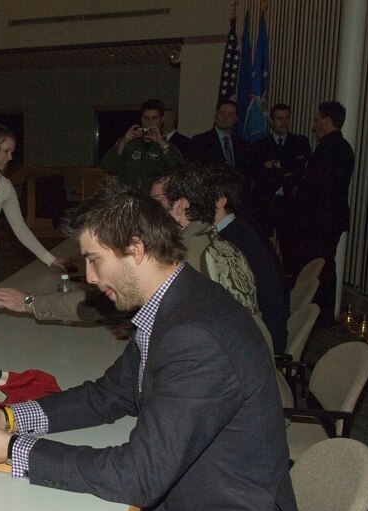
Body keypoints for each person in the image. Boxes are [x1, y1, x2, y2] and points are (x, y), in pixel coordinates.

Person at [0, 190, 318, 511]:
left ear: (136, 249)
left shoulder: (195, 335)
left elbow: (140, 476)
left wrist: (11, 450)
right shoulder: (176, 302)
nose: (89, 277)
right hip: (198, 499)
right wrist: (10, 417)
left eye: (94, 260)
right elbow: (109, 394)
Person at [0, 124, 67, 286]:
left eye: (12, 152)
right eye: (6, 151)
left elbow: (20, 228)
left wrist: (49, 259)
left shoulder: (5, 186)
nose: (10, 157)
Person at [150, 164, 259, 315]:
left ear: (180, 206)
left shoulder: (183, 255)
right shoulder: (220, 243)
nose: (149, 210)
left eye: (156, 202)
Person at [208, 165, 290, 354]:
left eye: (204, 195)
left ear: (221, 201)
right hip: (265, 329)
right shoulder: (238, 226)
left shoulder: (232, 240)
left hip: (263, 341)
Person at [293, 101, 355, 323]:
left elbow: (318, 187)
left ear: (327, 121)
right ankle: (323, 313)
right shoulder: (344, 148)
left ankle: (318, 313)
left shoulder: (327, 149)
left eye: (317, 120)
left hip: (319, 219)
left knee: (317, 267)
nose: (314, 124)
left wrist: (299, 191)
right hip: (332, 218)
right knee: (326, 264)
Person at [249, 103, 312, 238]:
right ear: (271, 121)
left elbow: (303, 168)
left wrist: (277, 164)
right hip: (266, 204)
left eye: (286, 118)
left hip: (291, 204)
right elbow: (256, 173)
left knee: (291, 250)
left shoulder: (300, 142)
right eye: (279, 118)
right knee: (263, 249)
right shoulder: (259, 146)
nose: (284, 122)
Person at [100, 99, 184, 190]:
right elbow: (108, 167)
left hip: (154, 200)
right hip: (129, 198)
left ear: (161, 119)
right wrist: (123, 142)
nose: (149, 122)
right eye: (146, 118)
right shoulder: (129, 143)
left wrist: (161, 143)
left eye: (154, 118)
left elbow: (178, 171)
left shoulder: (167, 146)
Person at [191, 100, 251, 181]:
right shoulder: (200, 141)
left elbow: (246, 173)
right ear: (216, 115)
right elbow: (197, 170)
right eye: (222, 113)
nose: (225, 117)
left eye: (230, 114)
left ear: (236, 119)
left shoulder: (243, 144)